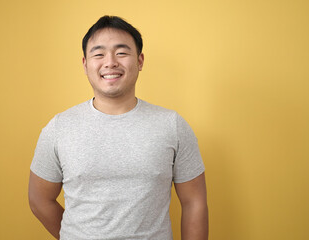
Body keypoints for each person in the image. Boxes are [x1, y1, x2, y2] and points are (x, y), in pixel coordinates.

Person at [28, 15, 208, 240]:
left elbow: (194, 202)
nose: (110, 62)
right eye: (98, 53)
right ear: (85, 64)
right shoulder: (59, 128)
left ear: (140, 61)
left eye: (121, 52)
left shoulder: (172, 125)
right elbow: (38, 199)